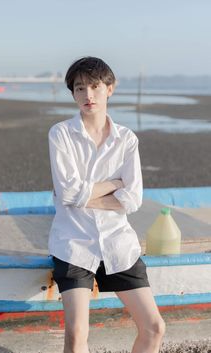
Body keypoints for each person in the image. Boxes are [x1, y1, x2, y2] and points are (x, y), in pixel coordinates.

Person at [48, 56, 165, 353]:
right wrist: (114, 183)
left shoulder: (126, 140)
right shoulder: (61, 134)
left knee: (154, 328)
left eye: (95, 87)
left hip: (118, 244)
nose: (88, 95)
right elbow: (69, 195)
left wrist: (84, 197)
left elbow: (133, 199)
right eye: (79, 88)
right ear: (73, 93)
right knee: (76, 337)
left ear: (110, 89)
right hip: (73, 244)